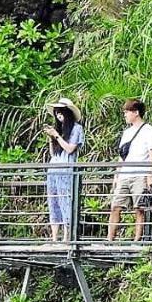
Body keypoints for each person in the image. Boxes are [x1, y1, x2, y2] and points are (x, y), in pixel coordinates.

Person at [107, 99, 152, 241]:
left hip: (140, 174)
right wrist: (116, 176)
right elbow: (121, 156)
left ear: (136, 113)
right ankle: (110, 239)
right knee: (116, 206)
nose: (125, 115)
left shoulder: (149, 131)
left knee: (139, 208)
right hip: (125, 174)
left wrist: (150, 175)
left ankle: (137, 240)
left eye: (127, 112)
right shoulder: (127, 133)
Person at [44, 98, 84, 242]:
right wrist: (51, 137)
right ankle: (54, 238)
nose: (58, 115)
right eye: (56, 113)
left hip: (67, 170)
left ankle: (67, 237)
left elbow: (70, 148)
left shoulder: (76, 129)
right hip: (53, 169)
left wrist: (56, 135)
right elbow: (53, 153)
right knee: (53, 201)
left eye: (61, 112)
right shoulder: (59, 129)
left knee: (66, 201)